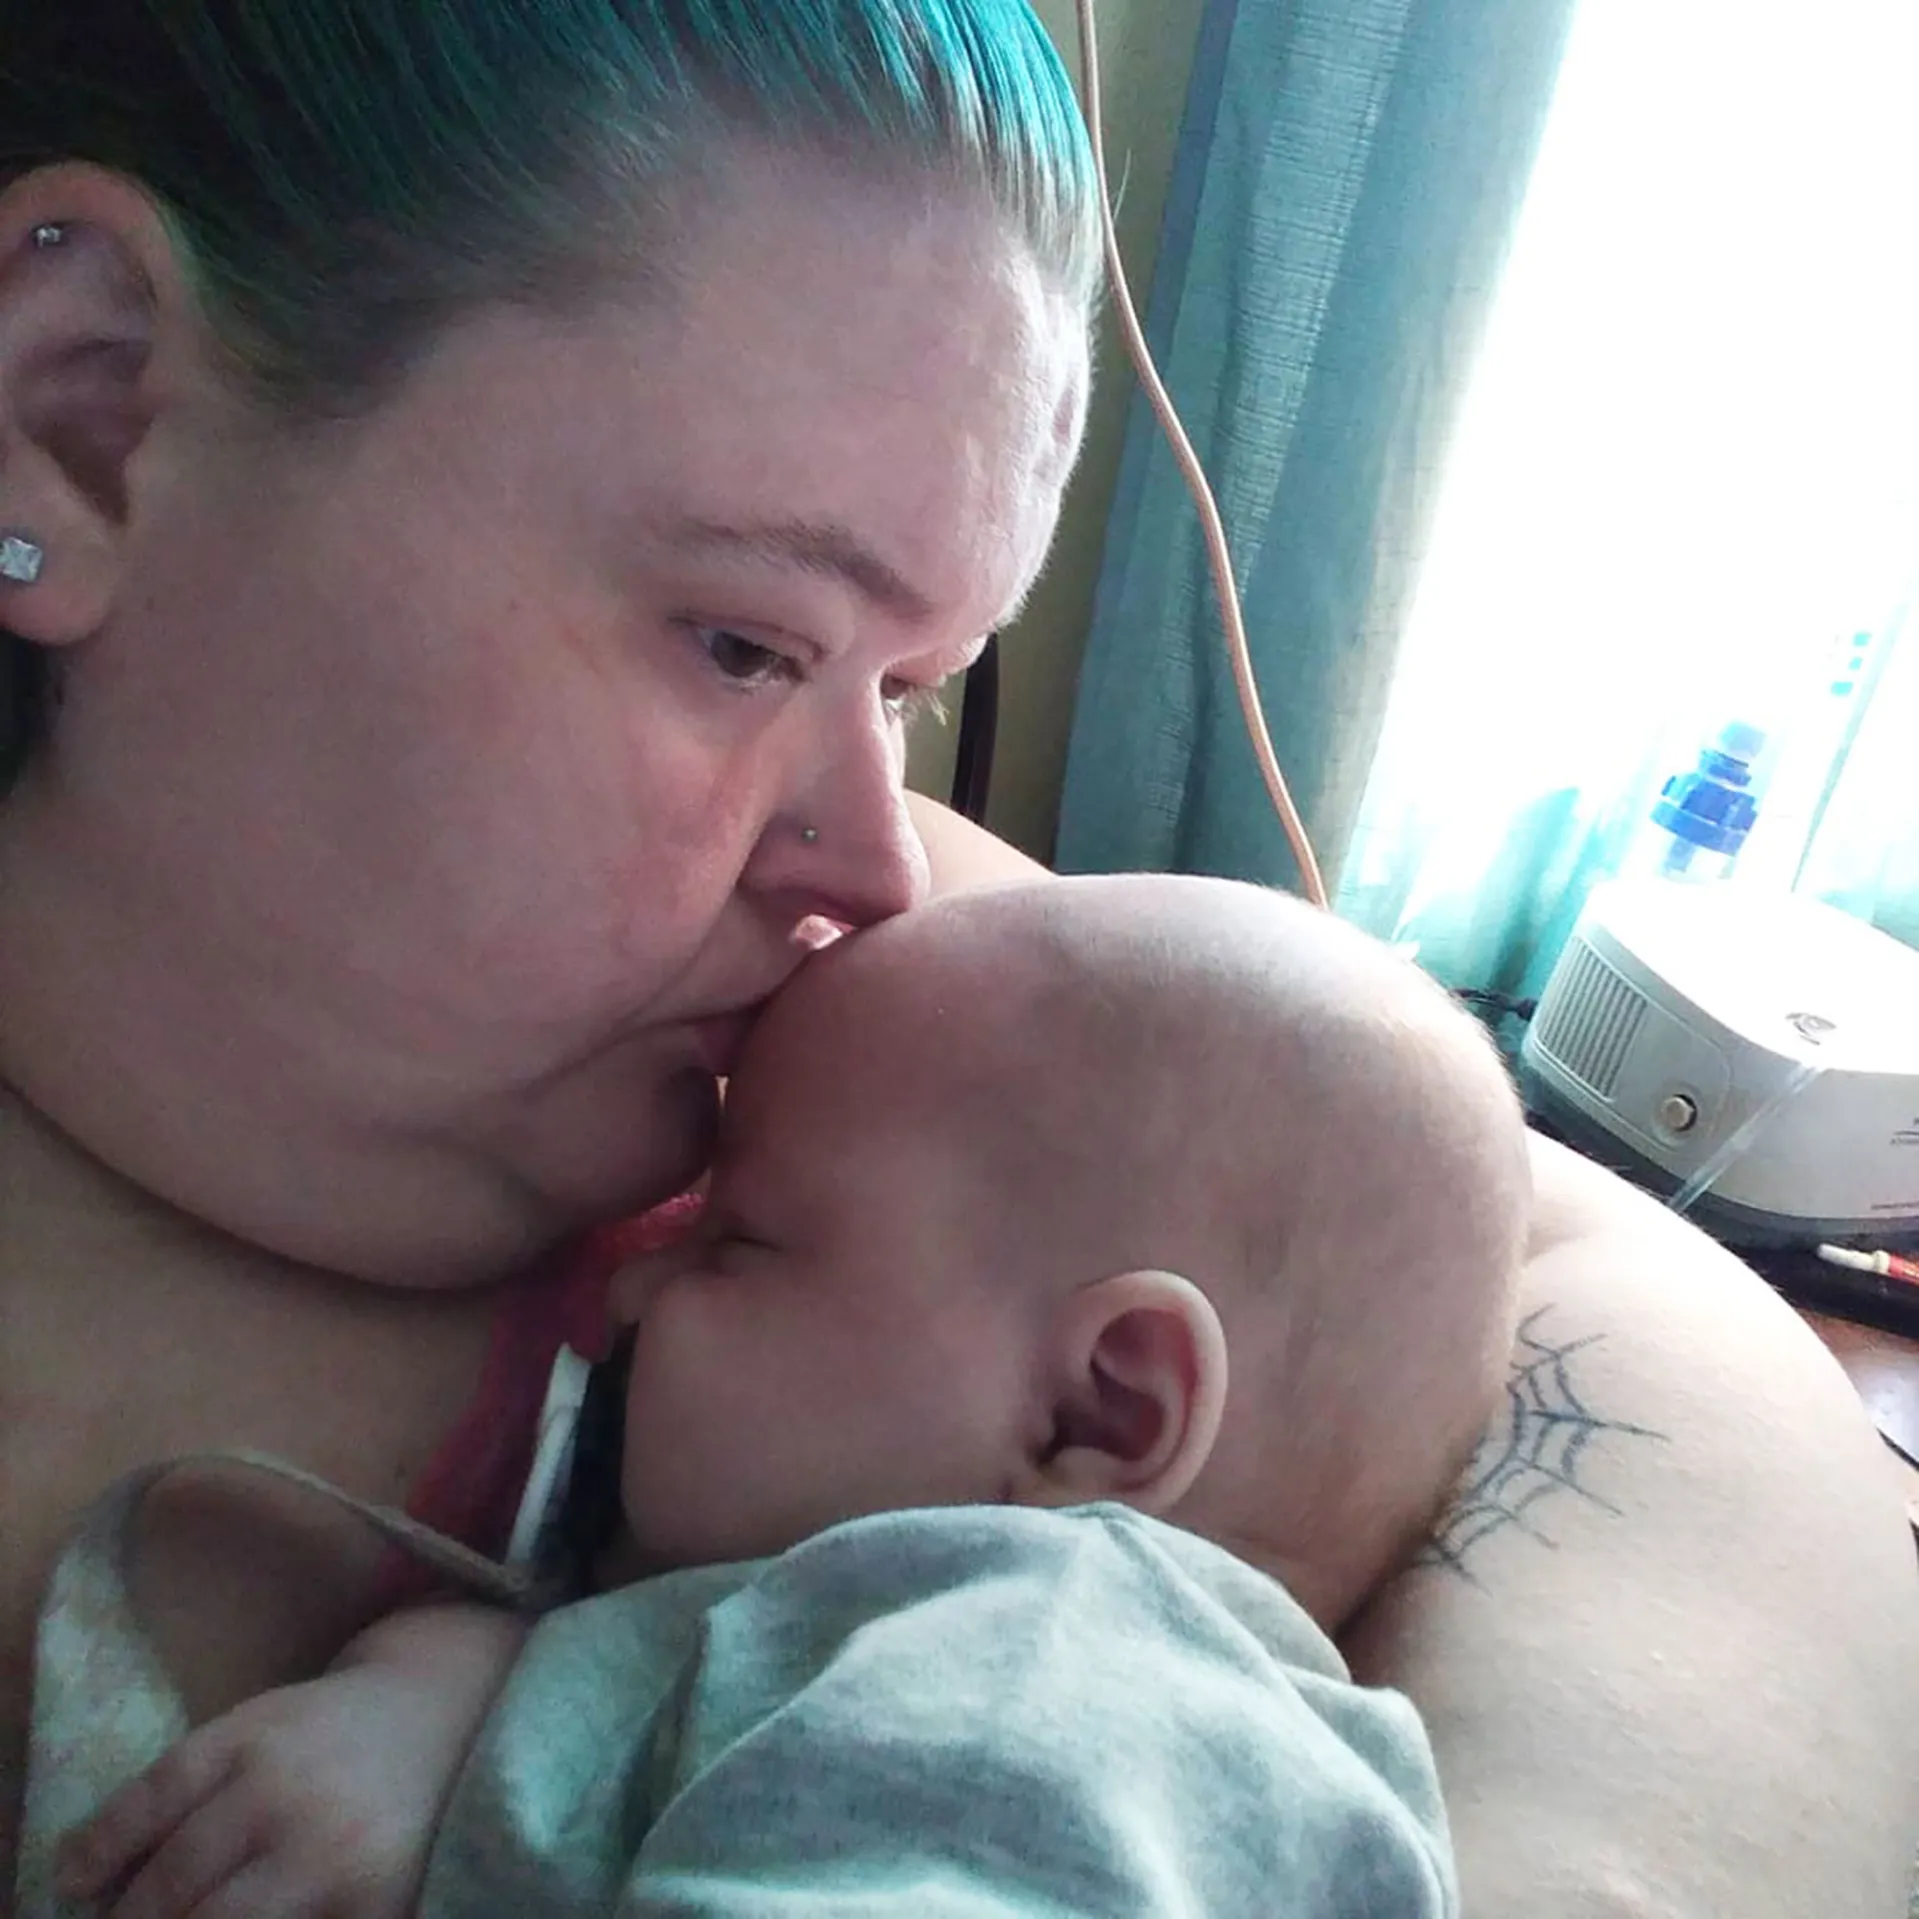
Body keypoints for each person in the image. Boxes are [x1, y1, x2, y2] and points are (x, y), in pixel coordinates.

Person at [0, 4, 1913, 1914]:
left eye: (909, 690)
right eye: (747, 645)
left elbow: (1592, 1283)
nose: (878, 866)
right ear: (87, 418)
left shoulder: (856, 1027)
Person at [43, 874, 1531, 1917]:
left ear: (1099, 1415)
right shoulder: (937, 1655)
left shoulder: (1039, 1675)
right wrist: (463, 1716)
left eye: (740, 1240)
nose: (632, 1289)